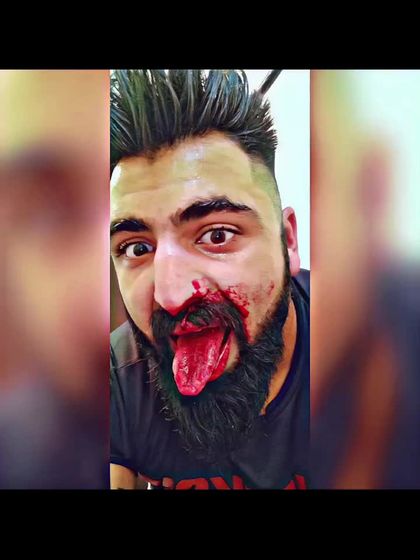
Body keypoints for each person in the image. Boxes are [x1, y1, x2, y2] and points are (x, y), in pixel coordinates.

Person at [110, 70, 309, 490]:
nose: (170, 294)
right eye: (137, 248)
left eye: (217, 235)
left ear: (288, 242)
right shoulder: (111, 379)